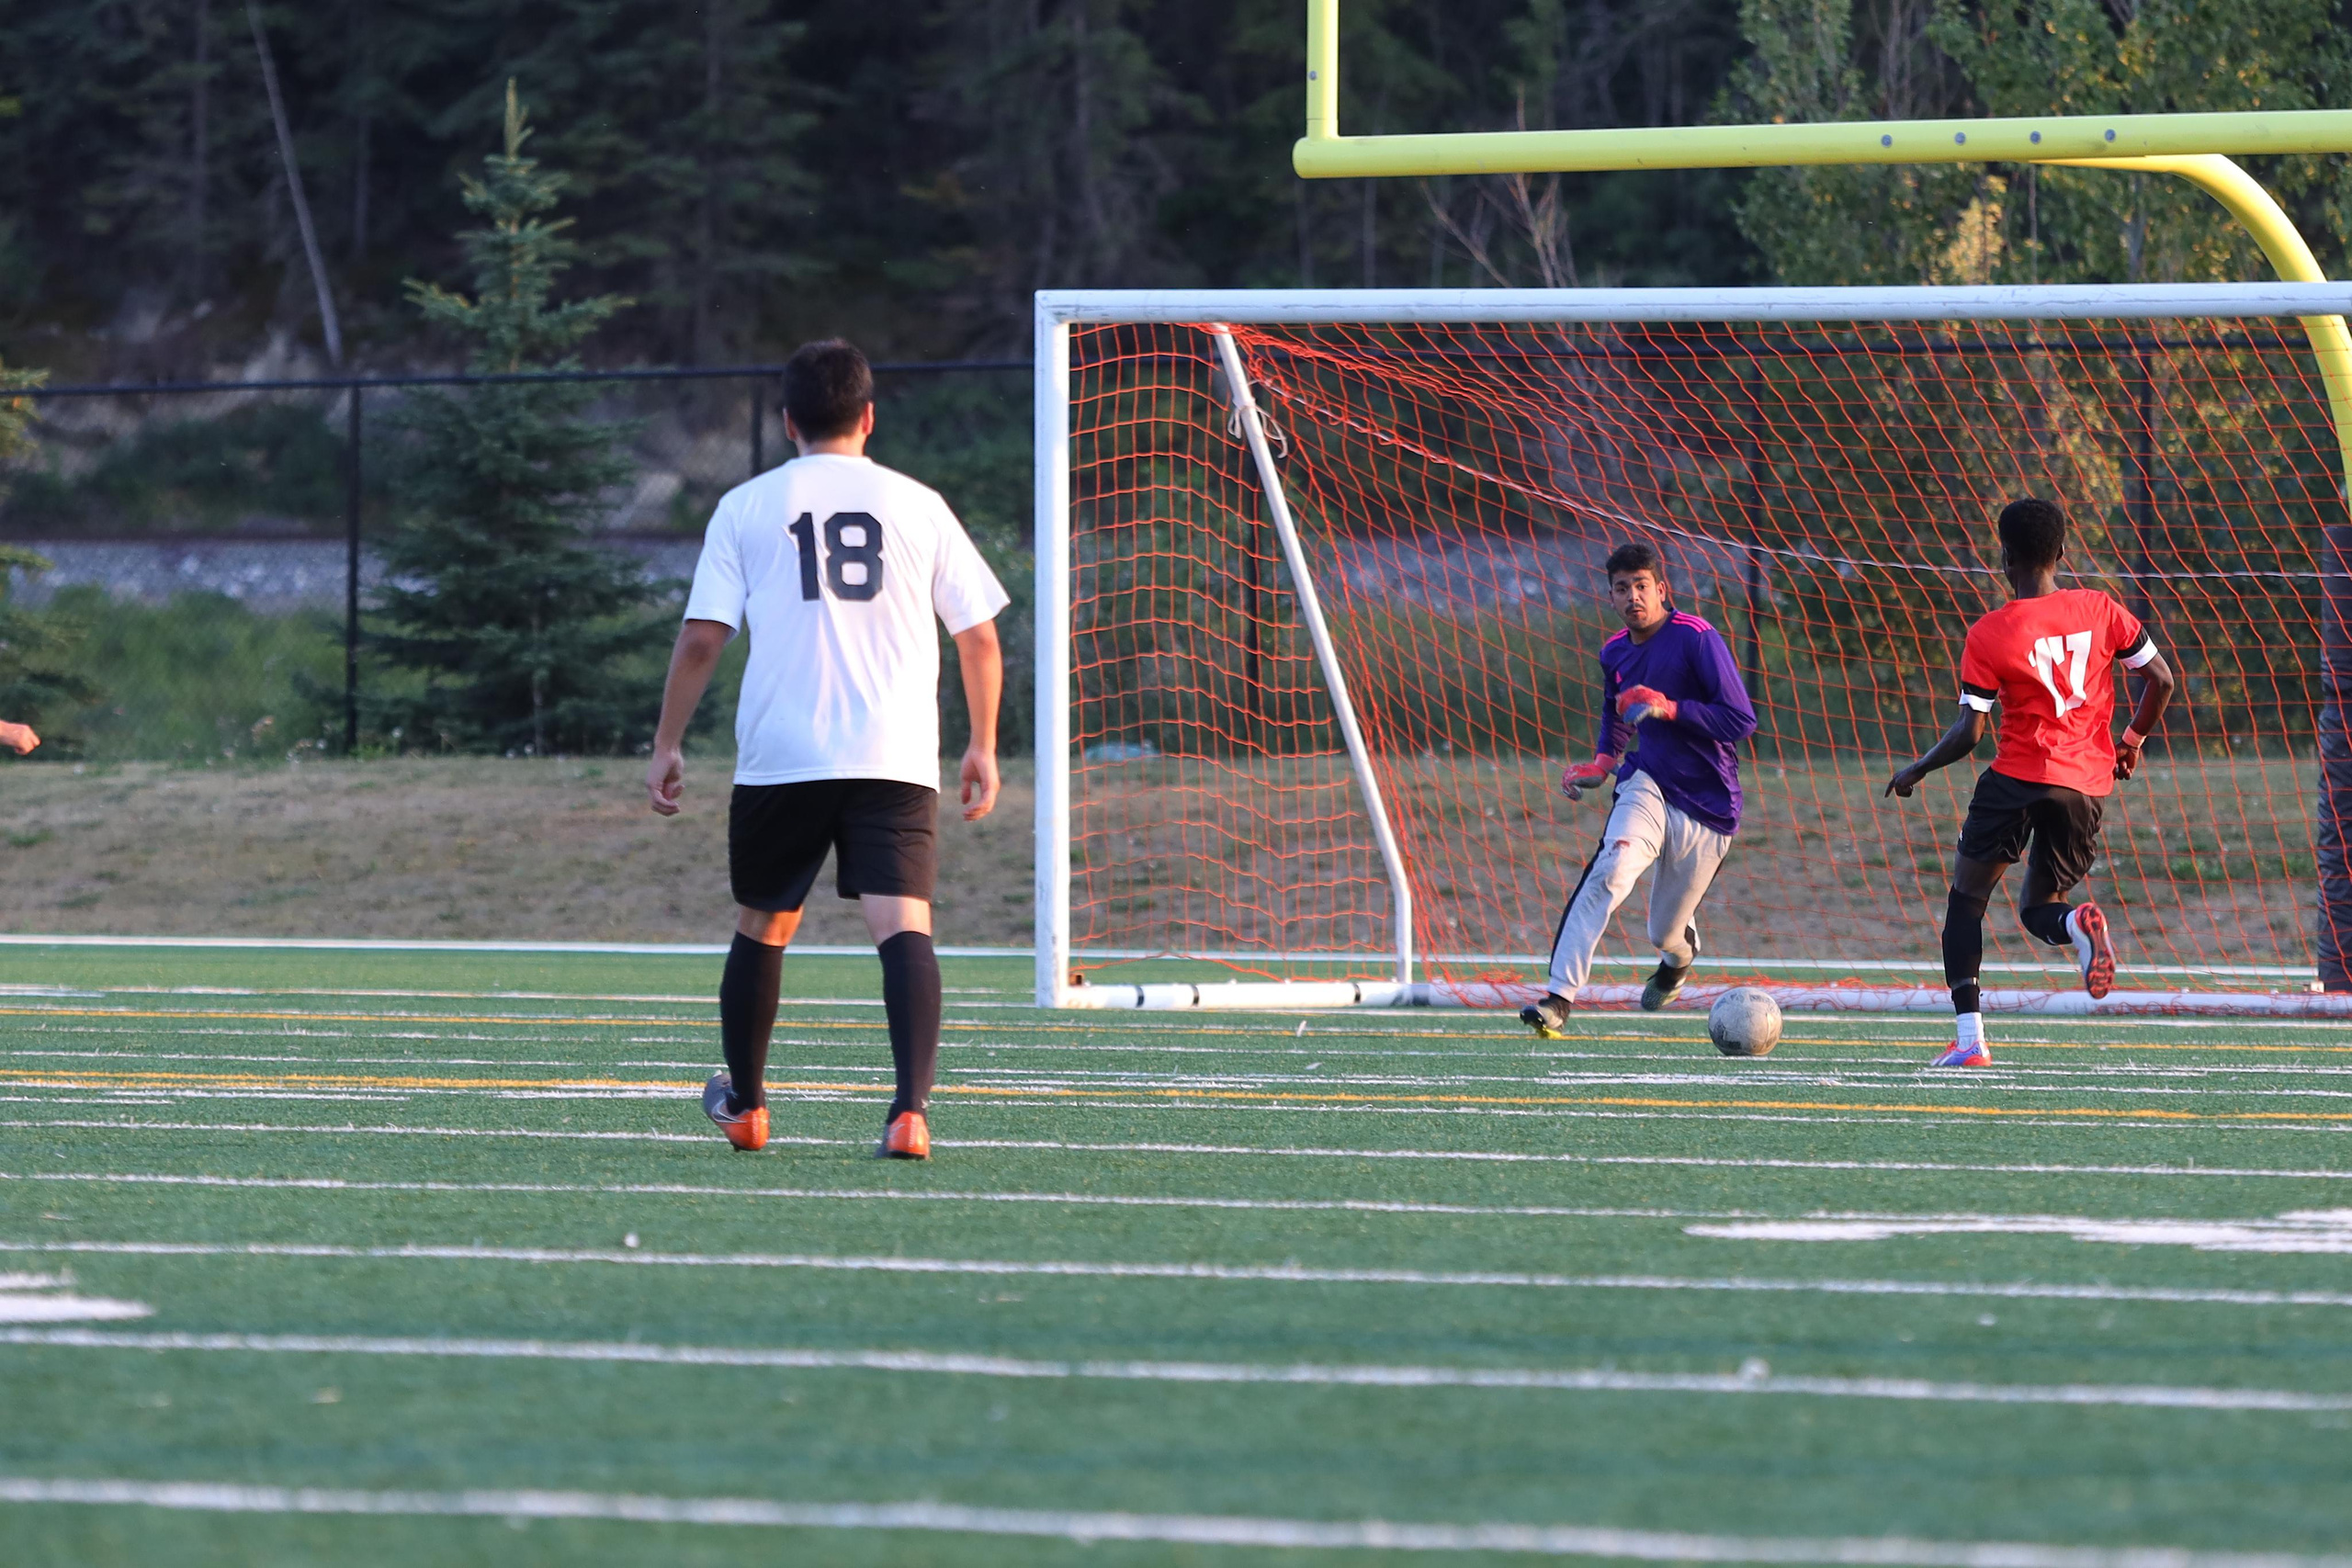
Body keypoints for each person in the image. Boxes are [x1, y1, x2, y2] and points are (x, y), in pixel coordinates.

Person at [645, 338, 1009, 1158]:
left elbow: (704, 637)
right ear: (869, 417)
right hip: (894, 750)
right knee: (903, 927)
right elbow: (980, 636)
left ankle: (745, 1106)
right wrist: (982, 744)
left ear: (786, 422)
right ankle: (909, 1110)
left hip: (785, 749)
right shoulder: (919, 503)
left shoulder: (746, 505)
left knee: (763, 926)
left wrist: (668, 741)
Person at [1884, 497, 2175, 1067]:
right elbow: (2161, 680)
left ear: (2005, 557)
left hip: (2016, 777)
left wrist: (1916, 768)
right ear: (2062, 552)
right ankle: (2078, 924)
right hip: (2085, 786)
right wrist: (2132, 742)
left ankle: (1970, 1041)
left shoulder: (1990, 632)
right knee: (2043, 906)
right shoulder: (2103, 609)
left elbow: (1970, 734)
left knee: (1967, 899)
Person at [1521, 541, 1758, 1039]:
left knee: (1664, 932)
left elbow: (1740, 720)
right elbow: (1615, 712)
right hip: (1646, 783)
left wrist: (1670, 708)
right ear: (1611, 597)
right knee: (1612, 868)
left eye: (1642, 586)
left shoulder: (1697, 637)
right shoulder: (1613, 652)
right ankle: (1558, 999)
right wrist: (1603, 764)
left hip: (1709, 804)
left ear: (1662, 590)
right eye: (1622, 588)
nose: (1633, 596)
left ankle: (1678, 958)